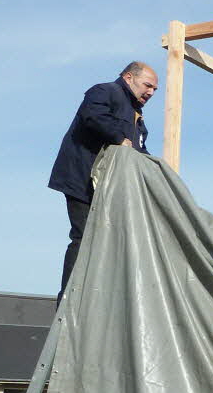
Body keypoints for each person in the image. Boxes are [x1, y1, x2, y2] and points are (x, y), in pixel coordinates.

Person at [48, 61, 158, 301]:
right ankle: (70, 298)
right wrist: (120, 138)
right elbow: (93, 115)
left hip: (108, 187)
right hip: (83, 180)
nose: (151, 92)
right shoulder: (105, 91)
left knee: (109, 242)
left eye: (154, 89)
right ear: (129, 77)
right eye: (147, 85)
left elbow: (139, 150)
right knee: (83, 236)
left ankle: (98, 297)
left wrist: (155, 170)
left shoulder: (135, 115)